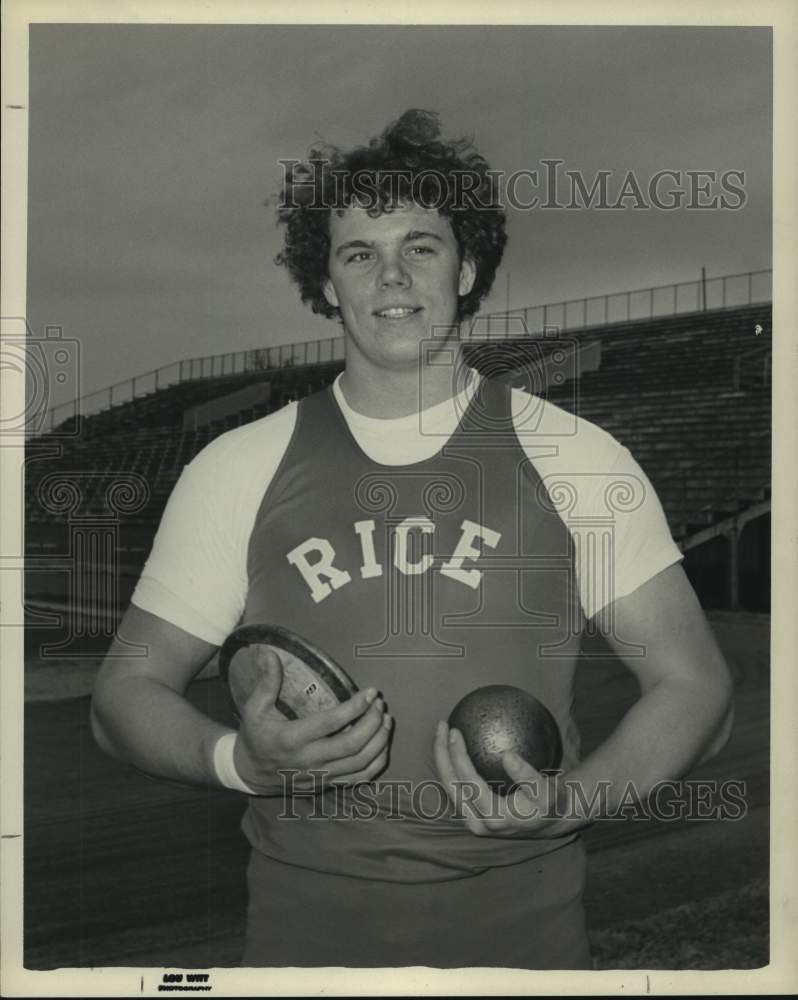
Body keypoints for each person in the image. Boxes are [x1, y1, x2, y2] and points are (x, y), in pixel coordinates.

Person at [91, 109, 734, 969]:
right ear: (326, 283)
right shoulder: (238, 467)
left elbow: (693, 684)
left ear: (467, 267)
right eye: (359, 253)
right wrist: (239, 760)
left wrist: (571, 800)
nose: (391, 275)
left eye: (421, 246)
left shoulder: (574, 457)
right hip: (301, 949)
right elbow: (120, 699)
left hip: (528, 948)